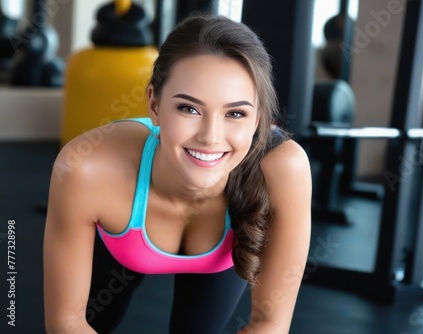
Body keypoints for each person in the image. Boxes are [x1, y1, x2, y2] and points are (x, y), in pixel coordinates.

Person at [44, 14, 311, 334]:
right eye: (189, 108)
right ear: (154, 105)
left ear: (258, 120)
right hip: (122, 239)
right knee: (95, 319)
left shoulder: (284, 169)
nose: (210, 136)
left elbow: (269, 324)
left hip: (220, 262)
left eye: (236, 113)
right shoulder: (86, 168)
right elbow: (67, 323)